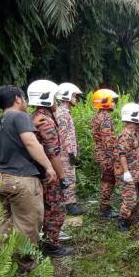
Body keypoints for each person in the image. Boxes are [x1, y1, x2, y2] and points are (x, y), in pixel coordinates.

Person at [0, 85, 57, 246]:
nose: (26, 102)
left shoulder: (0, 121)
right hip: (21, 179)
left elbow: (13, 141)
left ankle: (5, 262)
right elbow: (30, 143)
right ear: (17, 99)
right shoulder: (20, 117)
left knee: (7, 222)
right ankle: (25, 267)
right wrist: (49, 167)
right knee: (28, 225)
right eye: (24, 98)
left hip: (1, 178)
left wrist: (31, 125)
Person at [28, 80, 69, 256]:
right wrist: (63, 177)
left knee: (43, 208)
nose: (57, 102)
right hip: (48, 174)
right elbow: (53, 154)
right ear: (46, 99)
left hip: (35, 172)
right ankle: (52, 244)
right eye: (54, 98)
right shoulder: (46, 122)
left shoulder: (33, 117)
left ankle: (42, 242)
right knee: (56, 208)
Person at [114, 103, 139, 231]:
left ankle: (130, 218)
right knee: (130, 198)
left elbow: (134, 152)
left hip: (133, 170)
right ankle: (122, 221)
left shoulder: (134, 133)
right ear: (134, 117)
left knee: (133, 196)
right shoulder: (126, 135)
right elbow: (122, 154)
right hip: (126, 172)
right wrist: (126, 172)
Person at [55, 82, 84, 216]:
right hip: (64, 154)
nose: (76, 99)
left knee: (69, 176)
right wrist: (70, 153)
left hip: (67, 152)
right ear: (66, 96)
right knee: (68, 177)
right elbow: (62, 135)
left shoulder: (64, 112)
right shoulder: (62, 113)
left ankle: (67, 202)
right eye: (74, 96)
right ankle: (68, 204)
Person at [91, 89, 119, 219]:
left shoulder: (97, 116)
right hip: (106, 156)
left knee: (105, 180)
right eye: (113, 101)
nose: (114, 103)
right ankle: (105, 209)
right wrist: (114, 156)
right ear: (105, 102)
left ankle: (105, 206)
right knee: (107, 181)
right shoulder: (105, 118)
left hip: (100, 153)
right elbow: (108, 141)